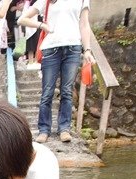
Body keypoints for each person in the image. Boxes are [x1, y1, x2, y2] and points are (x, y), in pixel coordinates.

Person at [18, 0, 95, 143]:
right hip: (51, 48)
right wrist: (42, 25)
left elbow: (84, 24)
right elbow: (22, 19)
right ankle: (44, 129)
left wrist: (88, 50)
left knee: (67, 90)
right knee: (47, 91)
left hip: (73, 48)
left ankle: (64, 128)